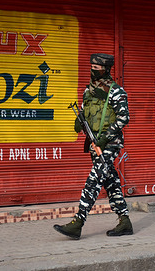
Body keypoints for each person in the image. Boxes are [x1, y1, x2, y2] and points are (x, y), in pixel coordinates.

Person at [53, 53, 133, 239]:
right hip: (94, 144)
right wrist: (79, 121)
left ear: (105, 69)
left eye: (96, 68)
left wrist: (105, 137)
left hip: (110, 144)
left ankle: (78, 223)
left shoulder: (116, 91)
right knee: (111, 183)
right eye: (91, 67)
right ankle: (125, 222)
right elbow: (84, 111)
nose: (92, 71)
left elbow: (124, 118)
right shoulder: (88, 91)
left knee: (94, 181)